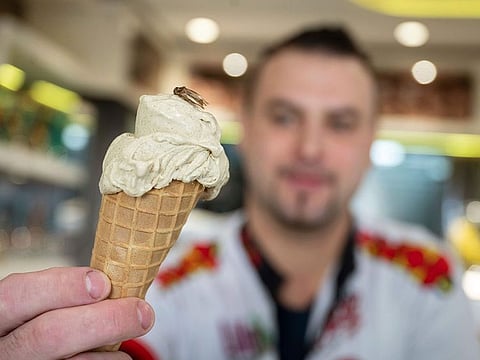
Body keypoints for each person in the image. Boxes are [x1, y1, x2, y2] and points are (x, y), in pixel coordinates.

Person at [0, 26, 478, 360]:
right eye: (285, 116)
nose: (310, 148)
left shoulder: (428, 277)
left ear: (370, 138)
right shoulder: (171, 286)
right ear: (245, 127)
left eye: (340, 123)